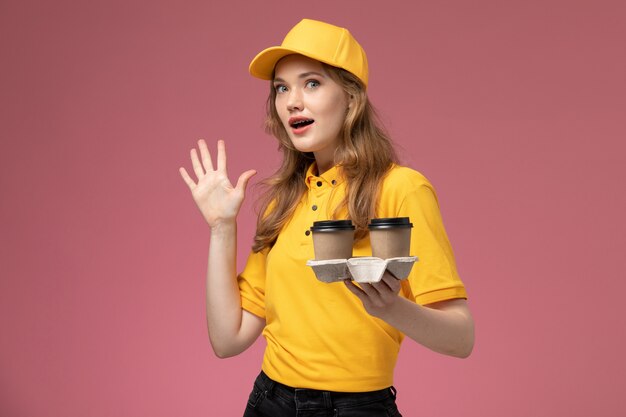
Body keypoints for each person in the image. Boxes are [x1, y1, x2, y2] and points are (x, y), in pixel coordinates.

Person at [179, 18, 474, 417]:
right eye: (281, 88)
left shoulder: (401, 189)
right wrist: (221, 229)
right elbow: (228, 340)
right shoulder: (281, 203)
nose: (292, 101)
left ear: (351, 97)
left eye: (311, 83)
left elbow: (461, 337)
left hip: (360, 408)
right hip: (271, 403)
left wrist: (390, 308)